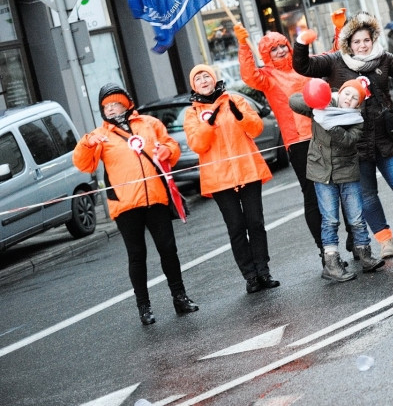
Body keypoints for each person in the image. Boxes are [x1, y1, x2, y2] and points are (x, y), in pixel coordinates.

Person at [293, 12, 393, 258]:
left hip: (388, 136)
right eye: (356, 41)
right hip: (354, 141)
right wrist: (302, 43)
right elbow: (304, 66)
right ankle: (385, 241)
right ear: (348, 43)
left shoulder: (383, 58)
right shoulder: (335, 60)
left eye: (366, 40)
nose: (362, 45)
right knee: (367, 197)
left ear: (372, 39)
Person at [73, 84, 199, 326]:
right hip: (126, 204)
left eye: (115, 104)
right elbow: (84, 165)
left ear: (126, 104)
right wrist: (87, 142)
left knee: (168, 249)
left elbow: (171, 147)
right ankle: (144, 307)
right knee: (137, 255)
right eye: (106, 106)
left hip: (156, 198)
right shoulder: (100, 135)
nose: (111, 109)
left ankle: (180, 297)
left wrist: (167, 151)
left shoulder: (149, 124)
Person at [233, 23, 352, 271]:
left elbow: (333, 55)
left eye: (282, 46)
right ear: (266, 54)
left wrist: (338, 28)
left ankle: (356, 239)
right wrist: (243, 45)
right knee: (312, 196)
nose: (279, 51)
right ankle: (326, 252)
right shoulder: (266, 77)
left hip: (325, 131)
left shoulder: (305, 64)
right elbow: (248, 75)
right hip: (298, 142)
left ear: (289, 46)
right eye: (273, 49)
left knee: (343, 186)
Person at [184, 64, 279, 294]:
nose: (204, 81)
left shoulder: (235, 100)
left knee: (255, 223)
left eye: (206, 76)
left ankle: (263, 271)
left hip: (247, 171)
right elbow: (197, 144)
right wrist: (209, 124)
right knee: (236, 227)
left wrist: (240, 116)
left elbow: (256, 129)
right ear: (194, 85)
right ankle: (250, 276)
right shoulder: (192, 113)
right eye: (198, 79)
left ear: (214, 79)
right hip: (220, 179)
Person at [289, 79, 385, 281]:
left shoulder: (356, 119)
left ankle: (365, 255)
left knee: (357, 218)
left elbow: (348, 140)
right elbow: (294, 101)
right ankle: (331, 263)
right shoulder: (321, 107)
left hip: (347, 172)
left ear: (359, 104)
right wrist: (317, 102)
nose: (349, 99)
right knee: (330, 219)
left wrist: (329, 123)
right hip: (321, 173)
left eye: (355, 98)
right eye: (347, 93)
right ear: (339, 93)